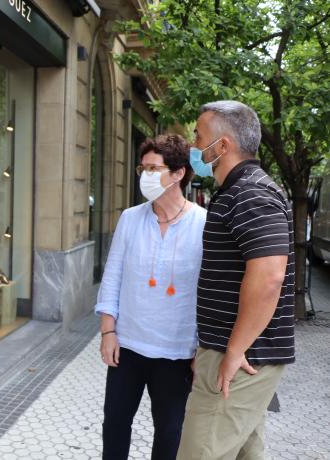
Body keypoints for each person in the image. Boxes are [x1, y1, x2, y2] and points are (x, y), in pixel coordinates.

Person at [177, 101, 294, 460]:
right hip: (233, 352)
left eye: (198, 136)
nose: (193, 145)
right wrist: (212, 347)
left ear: (223, 146)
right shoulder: (236, 192)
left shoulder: (251, 194)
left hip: (241, 358)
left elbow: (269, 277)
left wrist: (232, 351)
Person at [96, 134, 207, 460]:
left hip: (177, 352)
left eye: (154, 168)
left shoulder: (204, 224)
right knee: (115, 425)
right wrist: (108, 331)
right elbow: (112, 276)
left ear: (178, 173)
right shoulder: (131, 218)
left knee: (170, 432)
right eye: (142, 168)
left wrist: (202, 348)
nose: (145, 176)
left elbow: (207, 291)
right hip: (127, 347)